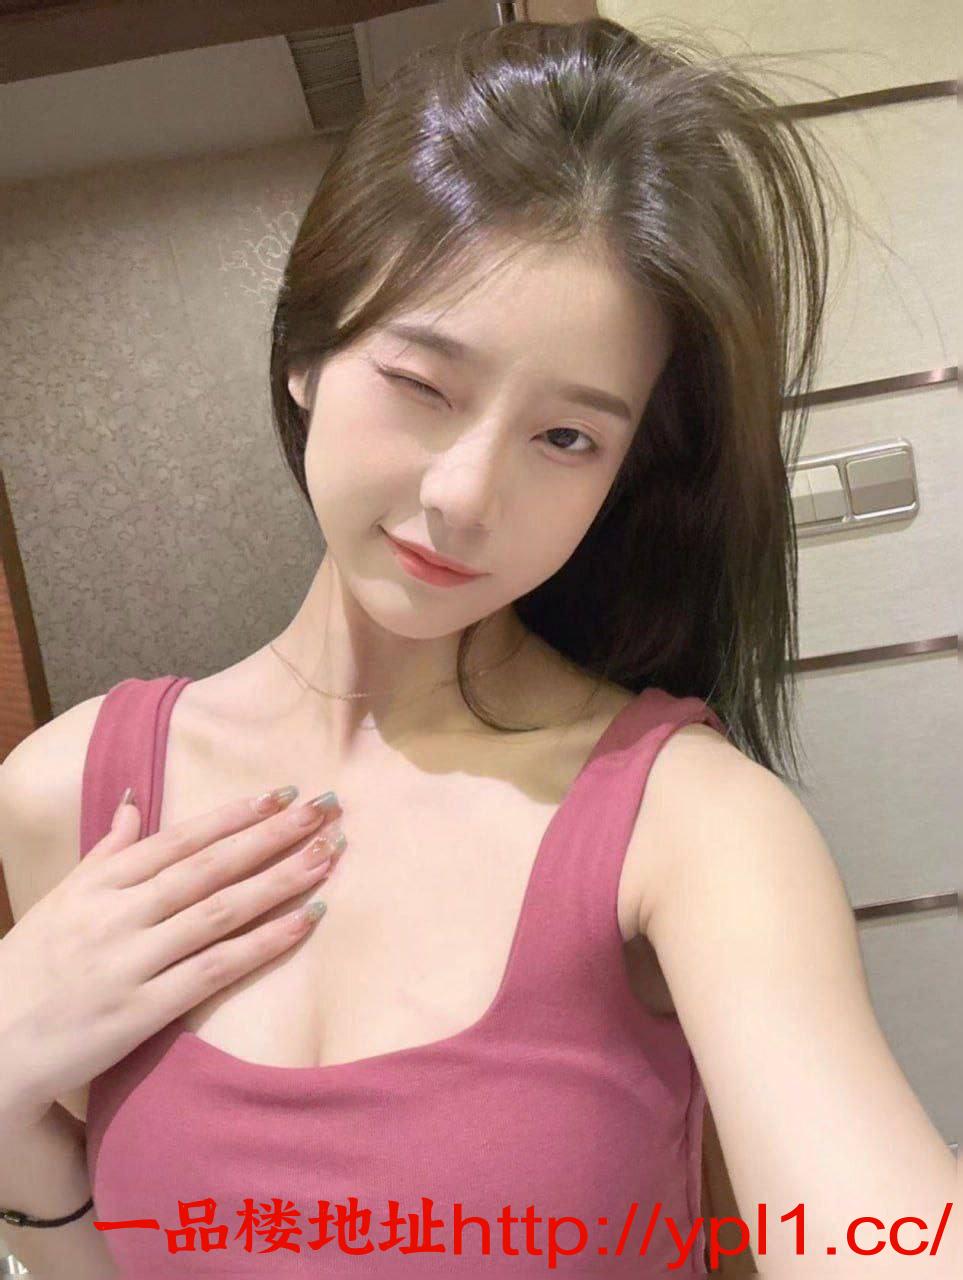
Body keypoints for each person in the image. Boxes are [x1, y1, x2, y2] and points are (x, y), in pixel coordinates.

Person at [0, 16, 956, 1280]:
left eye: (567, 437)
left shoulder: (692, 831)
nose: (463, 495)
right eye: (423, 381)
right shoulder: (65, 797)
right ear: (307, 351)